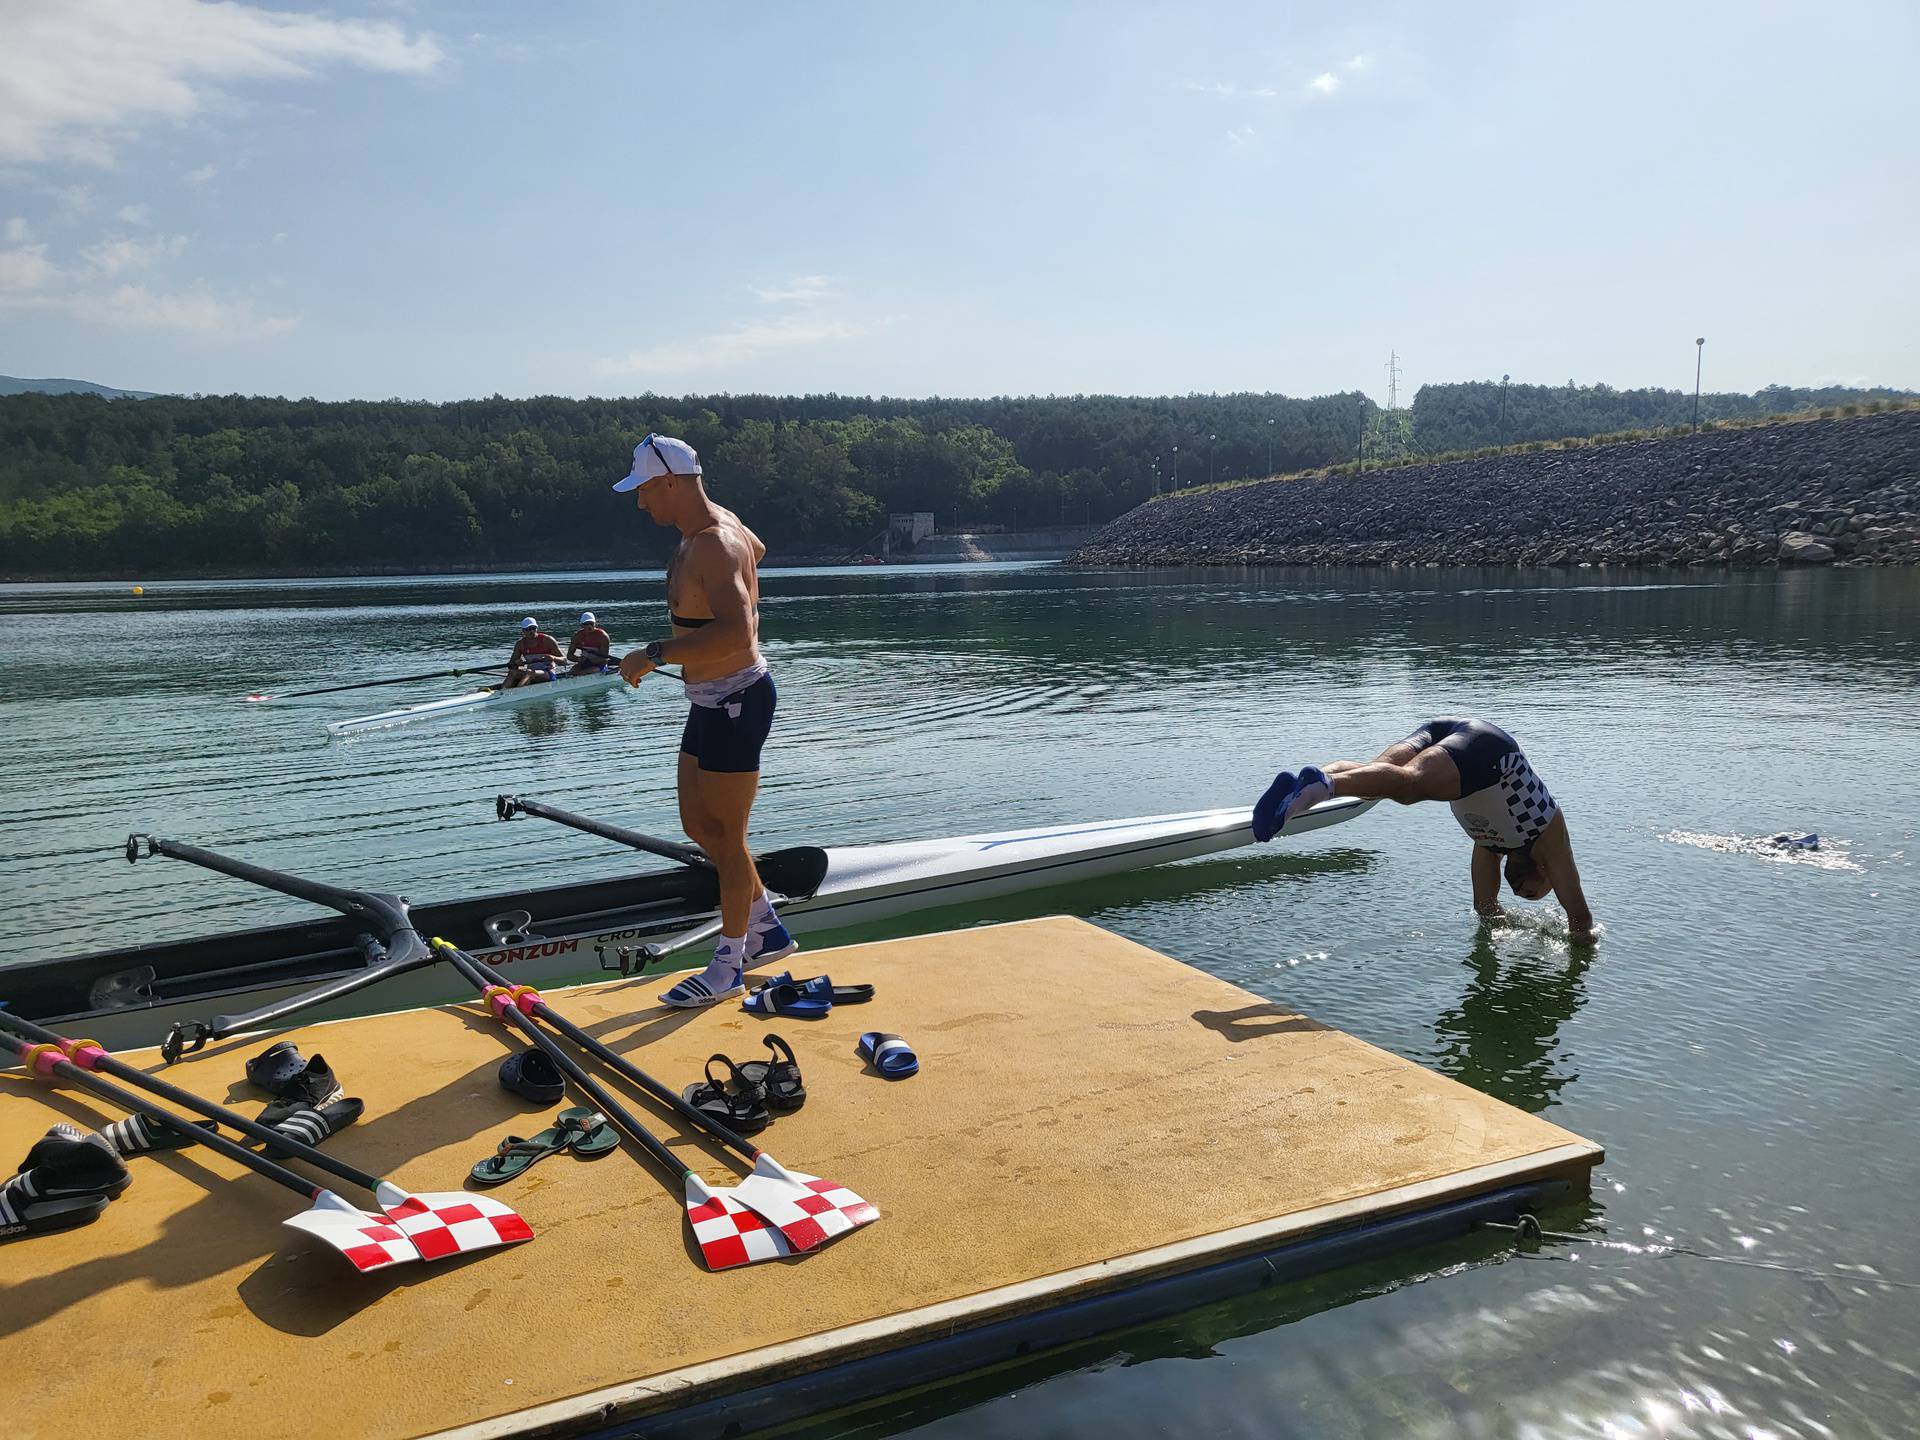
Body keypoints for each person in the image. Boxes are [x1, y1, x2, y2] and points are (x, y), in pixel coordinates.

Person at [612, 434, 794, 1006]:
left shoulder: (713, 543)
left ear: (668, 482)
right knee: (699, 825)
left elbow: (738, 632)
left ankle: (728, 966)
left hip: (738, 700)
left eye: (643, 491)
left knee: (730, 840)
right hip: (711, 701)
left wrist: (657, 653)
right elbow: (757, 552)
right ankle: (766, 930)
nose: (641, 505)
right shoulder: (725, 528)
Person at [1254, 718, 1595, 941]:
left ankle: (1304, 788)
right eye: (1537, 893)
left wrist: (1509, 938)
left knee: (1377, 779)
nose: (1522, 894)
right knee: (1409, 787)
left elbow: (1485, 908)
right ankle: (1320, 787)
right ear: (1545, 870)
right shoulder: (1549, 838)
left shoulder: (1490, 847)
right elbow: (1580, 919)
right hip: (1490, 750)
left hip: (1446, 730)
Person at [504, 617, 561, 688]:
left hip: (548, 673)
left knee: (530, 673)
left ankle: (516, 693)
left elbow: (564, 661)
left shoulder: (547, 640)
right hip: (531, 672)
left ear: (537, 628)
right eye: (528, 629)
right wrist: (516, 663)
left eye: (533, 628)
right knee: (513, 672)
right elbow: (511, 665)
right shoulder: (520, 644)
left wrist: (553, 658)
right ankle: (502, 692)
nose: (531, 631)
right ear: (523, 631)